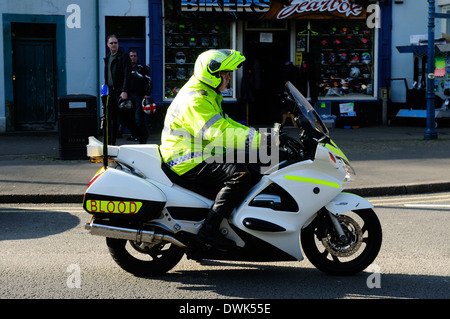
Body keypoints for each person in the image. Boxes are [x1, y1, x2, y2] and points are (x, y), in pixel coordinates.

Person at [160, 49, 264, 250]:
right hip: (186, 158)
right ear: (212, 74)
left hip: (199, 151)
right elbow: (219, 133)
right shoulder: (197, 99)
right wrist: (261, 141)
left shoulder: (206, 93)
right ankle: (208, 231)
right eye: (225, 74)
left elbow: (225, 123)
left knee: (251, 163)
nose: (228, 78)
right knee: (240, 175)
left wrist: (257, 134)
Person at [104, 35, 145, 145]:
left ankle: (142, 139)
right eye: (111, 43)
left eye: (116, 43)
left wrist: (124, 91)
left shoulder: (123, 57)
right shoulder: (108, 58)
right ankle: (110, 145)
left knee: (127, 120)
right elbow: (108, 76)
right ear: (108, 44)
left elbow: (127, 74)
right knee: (110, 119)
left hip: (120, 93)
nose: (114, 45)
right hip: (111, 93)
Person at [128, 50, 152, 142]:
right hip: (129, 96)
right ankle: (135, 135)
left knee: (138, 119)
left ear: (137, 57)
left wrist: (147, 93)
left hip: (139, 96)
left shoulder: (142, 68)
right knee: (129, 118)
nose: (133, 58)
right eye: (131, 56)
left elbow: (149, 80)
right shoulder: (126, 68)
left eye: (134, 56)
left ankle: (143, 137)